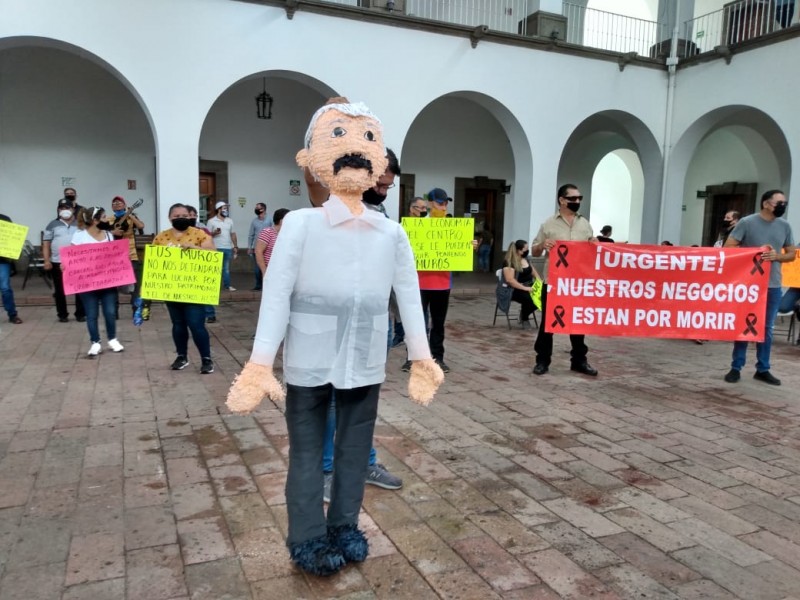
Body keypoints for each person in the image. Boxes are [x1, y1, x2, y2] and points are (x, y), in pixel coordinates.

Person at [226, 99, 443, 577]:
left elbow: (408, 295)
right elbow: (277, 294)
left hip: (365, 360)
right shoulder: (301, 225)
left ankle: (345, 526)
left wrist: (422, 356)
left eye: (367, 141)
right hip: (308, 358)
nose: (356, 154)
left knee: (352, 450)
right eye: (339, 137)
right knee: (306, 454)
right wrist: (261, 362)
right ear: (312, 159)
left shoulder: (391, 233)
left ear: (380, 161)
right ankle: (306, 536)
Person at [306, 141, 406, 498]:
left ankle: (364, 462)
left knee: (363, 397)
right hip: (330, 324)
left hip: (371, 324)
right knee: (332, 398)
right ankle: (329, 470)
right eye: (378, 184)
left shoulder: (382, 220)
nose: (382, 192)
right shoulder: (327, 212)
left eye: (387, 187)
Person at [723, 189, 795, 385]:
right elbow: (729, 247)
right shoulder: (747, 222)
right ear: (765, 203)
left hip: (772, 284)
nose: (782, 206)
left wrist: (776, 256)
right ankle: (736, 367)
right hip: (749, 283)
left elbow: (791, 254)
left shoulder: (785, 226)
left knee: (766, 327)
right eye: (778, 202)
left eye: (784, 203)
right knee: (745, 325)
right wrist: (756, 251)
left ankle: (763, 368)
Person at [531, 183, 598, 377]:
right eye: (573, 199)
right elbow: (534, 249)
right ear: (562, 200)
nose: (577, 202)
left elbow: (591, 251)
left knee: (578, 323)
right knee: (548, 324)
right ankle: (542, 361)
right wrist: (543, 245)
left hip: (577, 283)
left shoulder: (584, 224)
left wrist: (594, 244)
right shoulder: (548, 224)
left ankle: (579, 360)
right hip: (553, 283)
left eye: (579, 198)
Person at [153, 203, 216, 374]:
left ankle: (206, 358)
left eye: (184, 215)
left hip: (194, 289)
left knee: (196, 325)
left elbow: (213, 254)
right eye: (176, 215)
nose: (180, 218)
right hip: (172, 289)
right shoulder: (161, 237)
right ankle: (182, 356)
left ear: (190, 217)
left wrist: (196, 248)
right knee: (178, 325)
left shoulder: (200, 235)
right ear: (169, 218)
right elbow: (154, 263)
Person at [401, 187, 455, 374]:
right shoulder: (417, 225)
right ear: (431, 204)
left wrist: (470, 245)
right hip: (420, 282)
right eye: (440, 202)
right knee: (416, 322)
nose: (444, 206)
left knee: (438, 323)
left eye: (446, 202)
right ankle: (413, 358)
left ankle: (437, 358)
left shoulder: (453, 226)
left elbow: (460, 251)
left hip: (442, 282)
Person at [70, 207, 124, 356]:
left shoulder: (108, 235)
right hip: (87, 283)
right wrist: (66, 265)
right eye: (104, 217)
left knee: (110, 312)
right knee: (91, 314)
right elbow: (72, 257)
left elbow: (114, 256)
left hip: (107, 282)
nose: (107, 220)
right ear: (95, 220)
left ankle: (112, 339)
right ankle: (95, 342)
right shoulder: (79, 236)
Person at [43, 200, 86, 323]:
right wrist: (47, 260)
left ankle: (80, 314)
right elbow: (46, 244)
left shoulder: (80, 224)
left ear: (73, 209)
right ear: (58, 210)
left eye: (66, 207)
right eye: (61, 208)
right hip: (57, 261)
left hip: (77, 262)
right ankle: (62, 314)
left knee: (80, 288)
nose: (64, 210)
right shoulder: (52, 224)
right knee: (60, 290)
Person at [109, 196, 146, 314]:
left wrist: (129, 214)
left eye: (120, 203)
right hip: (114, 256)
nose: (117, 204)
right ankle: (114, 310)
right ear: (112, 207)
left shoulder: (131, 218)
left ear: (125, 205)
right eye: (114, 203)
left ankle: (136, 308)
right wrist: (112, 232)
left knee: (135, 284)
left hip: (131, 254)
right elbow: (101, 233)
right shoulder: (108, 220)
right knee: (114, 284)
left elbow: (141, 226)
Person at [186, 205, 217, 324]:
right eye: (190, 215)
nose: (193, 217)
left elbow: (210, 244)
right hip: (186, 265)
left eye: (195, 215)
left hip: (201, 262)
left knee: (203, 290)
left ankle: (210, 313)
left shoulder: (202, 228)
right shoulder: (180, 230)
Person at [502, 240, 540, 329]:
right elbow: (510, 280)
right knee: (531, 300)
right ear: (519, 250)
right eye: (525, 249)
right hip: (514, 289)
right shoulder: (509, 262)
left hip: (529, 286)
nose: (527, 251)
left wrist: (540, 283)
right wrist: (524, 288)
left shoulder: (526, 259)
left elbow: (533, 272)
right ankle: (524, 317)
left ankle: (524, 312)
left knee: (543, 298)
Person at [207, 200, 238, 291]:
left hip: (228, 247)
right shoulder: (211, 221)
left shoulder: (230, 221)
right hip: (216, 247)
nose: (226, 210)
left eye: (226, 208)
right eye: (224, 208)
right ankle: (213, 286)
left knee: (226, 268)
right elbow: (207, 235)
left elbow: (233, 234)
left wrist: (235, 246)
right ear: (218, 209)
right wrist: (214, 233)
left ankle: (227, 286)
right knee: (215, 268)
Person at [0, 214, 22, 324]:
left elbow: (13, 238)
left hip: (2, 260)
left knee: (5, 288)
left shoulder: (5, 219)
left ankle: (12, 314)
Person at [254, 208, 289, 278]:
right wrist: (264, 271)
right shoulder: (267, 232)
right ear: (282, 221)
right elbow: (258, 251)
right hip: (270, 271)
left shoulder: (286, 234)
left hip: (283, 271)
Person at [248, 202, 272, 290]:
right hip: (257, 248)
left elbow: (274, 232)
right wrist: (249, 247)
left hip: (268, 248)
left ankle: (267, 285)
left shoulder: (270, 220)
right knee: (257, 269)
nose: (256, 209)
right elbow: (251, 235)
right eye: (256, 207)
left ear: (263, 209)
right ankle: (258, 285)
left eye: (258, 207)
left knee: (268, 267)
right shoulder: (254, 221)